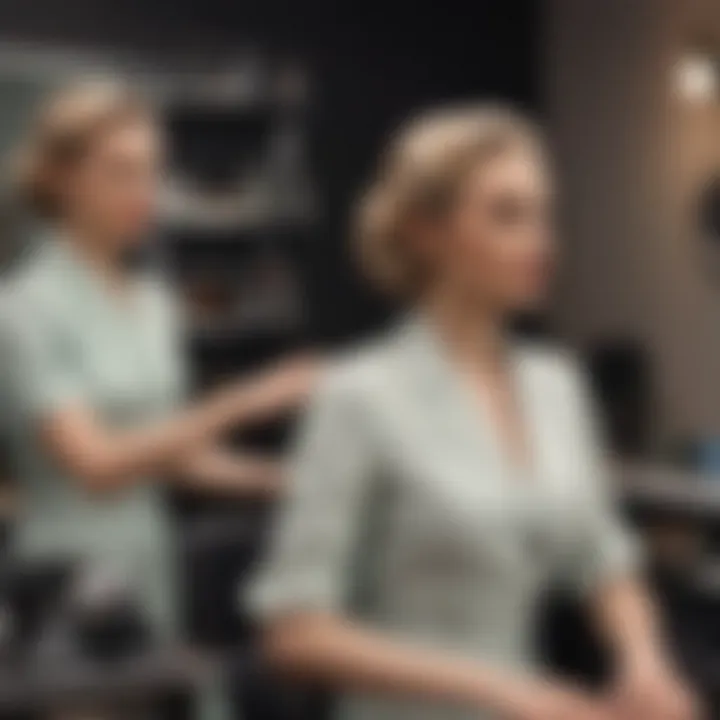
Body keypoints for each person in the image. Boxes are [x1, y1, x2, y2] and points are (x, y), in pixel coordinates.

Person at [248, 105, 697, 720]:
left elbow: (602, 555)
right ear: (424, 231)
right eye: (507, 214)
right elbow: (293, 633)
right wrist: (504, 687)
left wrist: (643, 661)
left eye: (543, 214)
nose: (541, 241)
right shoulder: (359, 396)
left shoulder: (556, 388)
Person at [0, 79, 318, 719]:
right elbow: (96, 464)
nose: (143, 191)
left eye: (152, 170)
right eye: (120, 171)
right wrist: (242, 401)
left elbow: (174, 457)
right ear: (62, 178)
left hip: (152, 561)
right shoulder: (23, 310)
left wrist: (290, 480)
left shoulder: (152, 307)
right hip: (66, 578)